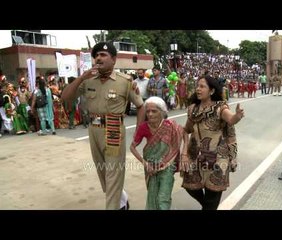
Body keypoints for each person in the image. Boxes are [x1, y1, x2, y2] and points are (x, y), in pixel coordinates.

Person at [61, 41, 145, 210]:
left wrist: (137, 133)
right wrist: (81, 78)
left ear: (113, 60)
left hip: (113, 128)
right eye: (96, 55)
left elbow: (140, 106)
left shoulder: (125, 81)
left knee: (113, 173)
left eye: (103, 55)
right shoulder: (88, 80)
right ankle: (122, 200)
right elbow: (65, 97)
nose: (98, 58)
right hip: (93, 130)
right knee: (104, 175)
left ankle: (115, 206)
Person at [180, 75, 244, 210]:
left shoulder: (220, 108)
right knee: (190, 187)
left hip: (218, 158)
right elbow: (186, 130)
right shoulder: (193, 109)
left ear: (212, 91)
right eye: (197, 86)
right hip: (195, 156)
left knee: (213, 194)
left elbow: (230, 119)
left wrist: (237, 116)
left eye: (202, 86)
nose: (198, 89)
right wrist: (184, 153)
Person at [130, 96, 187, 210]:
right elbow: (132, 147)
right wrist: (145, 163)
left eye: (154, 111)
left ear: (162, 112)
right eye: (148, 111)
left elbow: (185, 134)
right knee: (153, 196)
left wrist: (184, 153)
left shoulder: (171, 125)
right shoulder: (143, 127)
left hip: (167, 167)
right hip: (151, 167)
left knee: (163, 198)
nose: (150, 114)